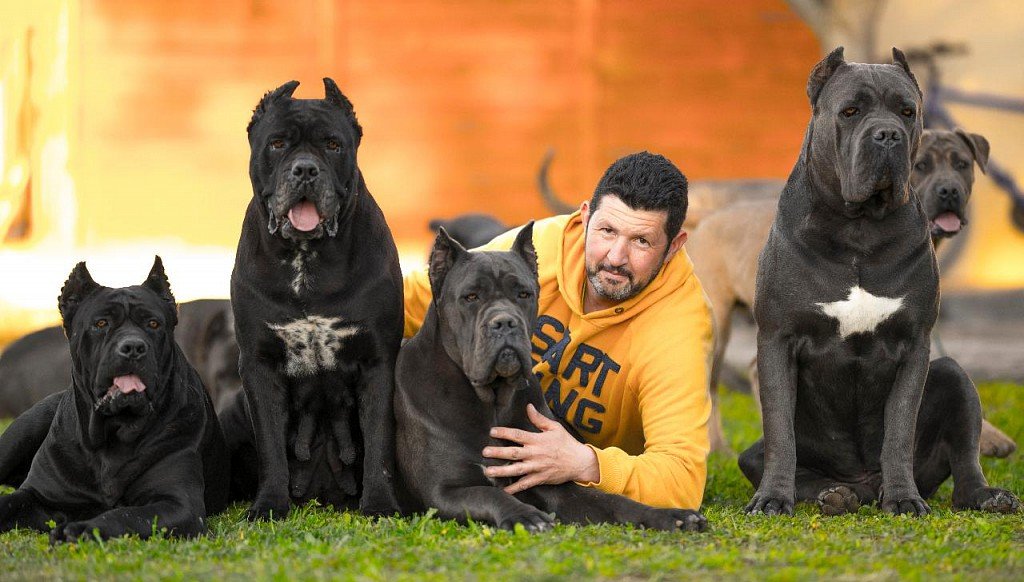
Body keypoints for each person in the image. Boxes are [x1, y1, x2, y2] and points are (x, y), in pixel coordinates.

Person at [403, 151, 713, 509]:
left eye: (641, 241)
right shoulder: (545, 246)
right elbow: (413, 299)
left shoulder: (677, 324)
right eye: (607, 231)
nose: (615, 257)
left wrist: (586, 463)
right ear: (584, 219)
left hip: (577, 457)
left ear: (673, 246)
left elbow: (682, 480)